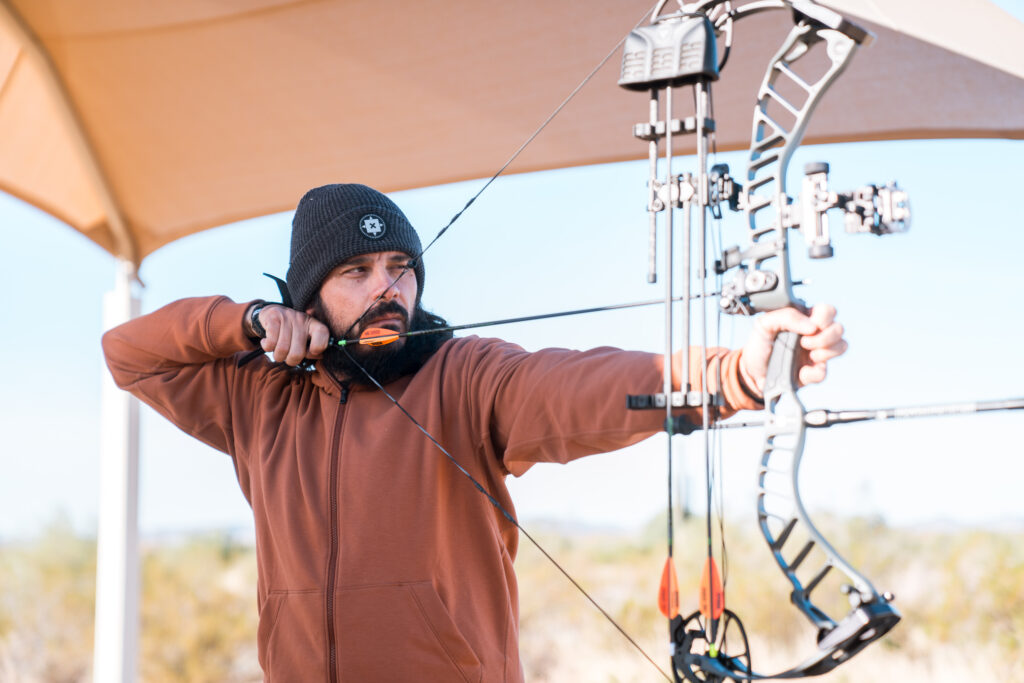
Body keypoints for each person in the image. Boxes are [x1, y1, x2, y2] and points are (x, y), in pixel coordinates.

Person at [103, 183, 846, 682]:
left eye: (400, 266)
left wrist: (732, 374)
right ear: (307, 296)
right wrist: (246, 321)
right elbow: (127, 350)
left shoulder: (464, 377)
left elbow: (573, 386)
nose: (387, 287)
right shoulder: (260, 398)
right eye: (355, 272)